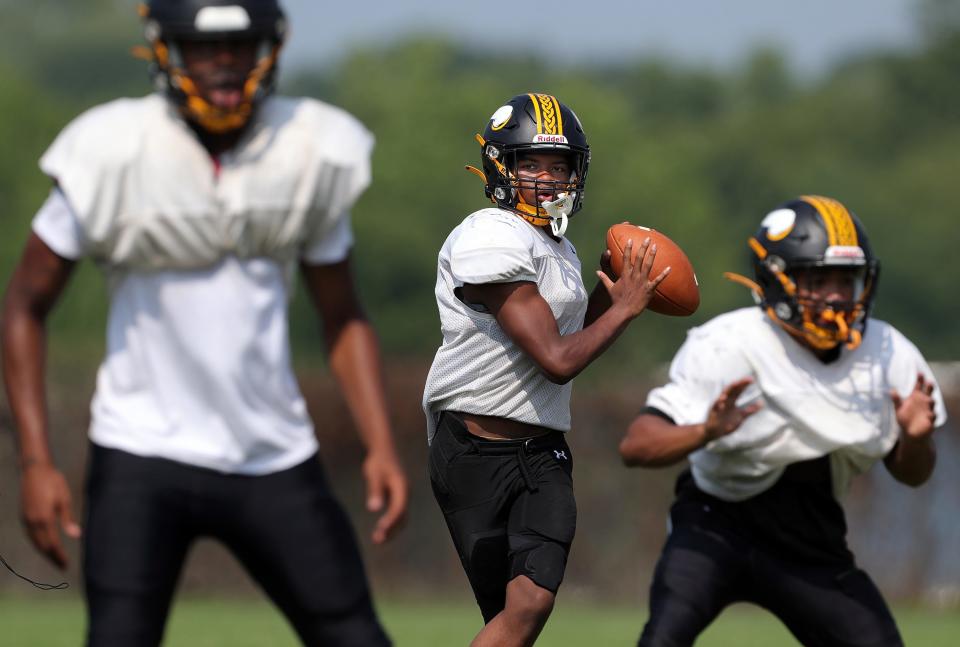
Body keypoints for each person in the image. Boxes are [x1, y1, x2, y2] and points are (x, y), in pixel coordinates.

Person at [0, 1, 407, 645]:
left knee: (355, 636)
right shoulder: (110, 148)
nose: (223, 62)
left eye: (240, 45)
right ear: (165, 51)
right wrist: (34, 461)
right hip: (141, 449)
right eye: (203, 46)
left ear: (269, 48)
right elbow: (23, 306)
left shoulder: (307, 148)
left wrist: (380, 444)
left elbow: (343, 315)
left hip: (271, 450)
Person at [619, 195, 947, 647]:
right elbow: (636, 446)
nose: (835, 295)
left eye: (845, 279)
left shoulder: (889, 354)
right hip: (715, 523)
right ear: (776, 278)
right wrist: (704, 432)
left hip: (810, 536)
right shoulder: (730, 343)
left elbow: (913, 473)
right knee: (663, 639)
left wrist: (916, 438)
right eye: (819, 278)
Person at [422, 92, 670, 647]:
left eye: (559, 166)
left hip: (543, 453)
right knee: (509, 620)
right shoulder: (488, 235)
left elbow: (569, 338)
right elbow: (556, 361)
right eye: (530, 163)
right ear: (500, 167)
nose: (547, 178)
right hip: (474, 449)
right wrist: (626, 308)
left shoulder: (558, 248)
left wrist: (610, 294)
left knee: (530, 605)